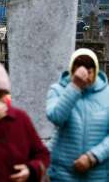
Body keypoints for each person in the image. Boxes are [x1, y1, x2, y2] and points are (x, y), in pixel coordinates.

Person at [46, 48, 109, 181]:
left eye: (89, 71)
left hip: (96, 175)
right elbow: (56, 118)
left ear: (96, 70)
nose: (84, 75)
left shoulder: (107, 94)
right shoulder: (58, 90)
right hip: (62, 174)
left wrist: (93, 157)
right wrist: (75, 87)